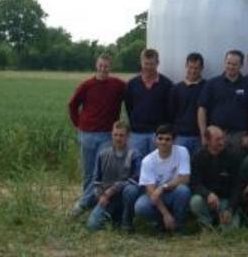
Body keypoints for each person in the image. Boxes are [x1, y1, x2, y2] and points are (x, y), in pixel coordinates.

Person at [68, 54, 126, 205]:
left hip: (107, 135)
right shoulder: (86, 85)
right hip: (87, 134)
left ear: (110, 67)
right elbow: (72, 105)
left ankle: (88, 202)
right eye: (101, 65)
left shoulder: (118, 85)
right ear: (96, 65)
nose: (103, 69)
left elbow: (131, 98)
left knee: (102, 171)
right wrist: (78, 124)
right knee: (88, 172)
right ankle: (88, 201)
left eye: (106, 66)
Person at [197, 49, 248, 155]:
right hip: (214, 135)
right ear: (224, 63)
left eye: (234, 64)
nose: (231, 67)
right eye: (228, 63)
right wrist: (204, 135)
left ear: (241, 65)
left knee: (237, 169)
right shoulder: (212, 84)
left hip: (239, 137)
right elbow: (202, 109)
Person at [83, 121, 142, 232]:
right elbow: (96, 180)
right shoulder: (103, 153)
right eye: (115, 135)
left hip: (125, 195)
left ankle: (127, 222)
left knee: (131, 190)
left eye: (121, 135)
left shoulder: (134, 154)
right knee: (92, 226)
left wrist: (113, 189)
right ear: (111, 134)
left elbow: (136, 179)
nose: (118, 138)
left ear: (128, 136)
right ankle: (114, 217)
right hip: (107, 197)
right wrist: (100, 196)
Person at [134, 124, 192, 233]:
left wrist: (162, 187)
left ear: (174, 140)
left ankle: (178, 226)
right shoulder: (148, 161)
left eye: (167, 139)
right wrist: (166, 214)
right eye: (160, 138)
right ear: (155, 140)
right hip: (157, 197)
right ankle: (162, 224)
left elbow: (185, 178)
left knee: (183, 191)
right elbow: (151, 192)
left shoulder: (182, 151)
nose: (163, 142)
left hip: (174, 193)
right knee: (140, 206)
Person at [189, 126, 242, 230]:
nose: (222, 142)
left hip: (226, 201)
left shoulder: (233, 156)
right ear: (208, 141)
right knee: (195, 201)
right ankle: (206, 223)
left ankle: (222, 222)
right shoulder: (198, 157)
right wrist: (207, 194)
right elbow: (195, 184)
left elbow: (237, 186)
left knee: (231, 230)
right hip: (207, 200)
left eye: (223, 138)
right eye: (217, 139)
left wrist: (230, 209)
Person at [124, 48, 174, 159]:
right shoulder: (132, 84)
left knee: (158, 166)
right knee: (137, 167)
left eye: (152, 64)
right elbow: (129, 106)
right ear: (141, 63)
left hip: (158, 135)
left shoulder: (167, 85)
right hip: (137, 133)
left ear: (157, 63)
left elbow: (171, 110)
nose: (148, 67)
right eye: (146, 64)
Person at [169, 52, 206, 157]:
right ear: (186, 66)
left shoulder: (207, 87)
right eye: (190, 67)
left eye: (196, 68)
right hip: (181, 136)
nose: (193, 71)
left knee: (198, 168)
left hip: (200, 136)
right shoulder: (176, 88)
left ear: (202, 68)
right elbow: (171, 113)